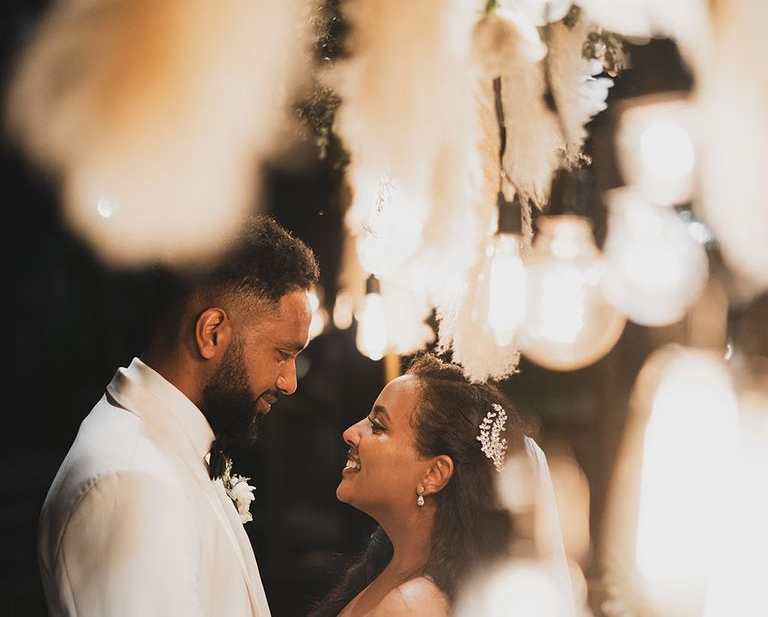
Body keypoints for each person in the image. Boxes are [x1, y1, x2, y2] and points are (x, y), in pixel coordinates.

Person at [38, 215, 319, 616]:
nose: (290, 381)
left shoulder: (168, 449)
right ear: (212, 333)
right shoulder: (129, 483)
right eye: (283, 353)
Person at [310, 353, 534, 617]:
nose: (350, 433)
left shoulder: (409, 606)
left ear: (434, 474)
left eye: (377, 426)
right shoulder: (384, 571)